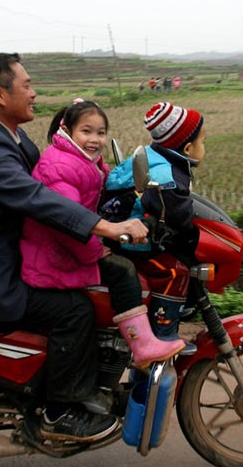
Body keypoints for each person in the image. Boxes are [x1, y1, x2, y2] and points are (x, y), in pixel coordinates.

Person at [0, 53, 148, 444]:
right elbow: (36, 197)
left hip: (19, 255)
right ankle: (59, 412)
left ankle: (89, 385)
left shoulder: (10, 135)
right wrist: (103, 226)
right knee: (74, 309)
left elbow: (63, 181)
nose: (34, 92)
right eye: (26, 85)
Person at [20, 99, 185, 371]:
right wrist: (96, 250)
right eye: (86, 131)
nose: (95, 139)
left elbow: (97, 197)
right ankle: (142, 345)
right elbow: (67, 221)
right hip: (56, 253)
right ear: (67, 130)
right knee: (123, 271)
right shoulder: (59, 166)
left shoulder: (85, 162)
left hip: (74, 244)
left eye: (100, 132)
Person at [106, 102, 207, 353]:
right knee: (175, 272)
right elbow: (178, 217)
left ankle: (179, 306)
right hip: (135, 241)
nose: (205, 147)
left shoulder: (156, 156)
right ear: (186, 147)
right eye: (203, 141)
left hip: (126, 231)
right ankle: (163, 333)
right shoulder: (167, 176)